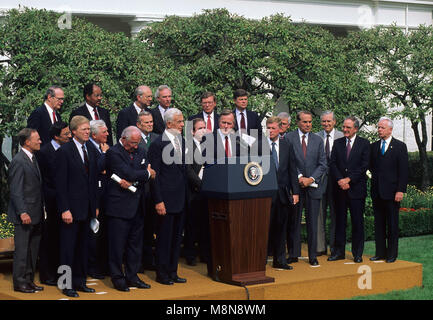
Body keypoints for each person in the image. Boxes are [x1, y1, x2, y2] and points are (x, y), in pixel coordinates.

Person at [105, 126, 155, 291]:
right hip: (119, 208)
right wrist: (144, 174)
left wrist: (135, 178)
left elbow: (138, 173)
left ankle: (132, 277)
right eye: (133, 143)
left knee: (135, 245)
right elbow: (131, 173)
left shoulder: (141, 150)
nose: (136, 146)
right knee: (117, 246)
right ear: (123, 138)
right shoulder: (113, 152)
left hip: (138, 205)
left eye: (138, 142)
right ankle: (118, 278)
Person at [55, 115, 100, 297]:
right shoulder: (64, 152)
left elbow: (93, 179)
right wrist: (64, 209)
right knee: (67, 249)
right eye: (84, 129)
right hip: (70, 210)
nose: (88, 132)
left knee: (83, 247)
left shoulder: (90, 148)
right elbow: (60, 184)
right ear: (73, 131)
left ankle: (80, 282)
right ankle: (65, 285)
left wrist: (95, 206)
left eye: (89, 129)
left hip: (87, 209)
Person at [148, 108, 188, 285]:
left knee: (176, 238)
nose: (182, 125)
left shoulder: (182, 141)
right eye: (179, 122)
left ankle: (173, 271)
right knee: (164, 238)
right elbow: (154, 177)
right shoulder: (158, 144)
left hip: (181, 198)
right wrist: (158, 200)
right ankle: (162, 273)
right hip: (165, 200)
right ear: (169, 123)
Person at [285, 111, 327, 266]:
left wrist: (311, 179)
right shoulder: (289, 138)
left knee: (312, 223)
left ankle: (312, 256)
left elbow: (323, 164)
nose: (308, 125)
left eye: (310, 122)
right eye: (305, 122)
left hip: (313, 188)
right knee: (294, 222)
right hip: (296, 188)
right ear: (298, 122)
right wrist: (299, 177)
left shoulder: (318, 140)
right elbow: (288, 161)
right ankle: (294, 254)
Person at [328, 116, 370, 263]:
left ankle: (357, 253)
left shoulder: (364, 144)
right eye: (343, 127)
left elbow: (364, 166)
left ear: (356, 129)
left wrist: (349, 179)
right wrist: (340, 179)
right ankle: (338, 252)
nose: (344, 130)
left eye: (348, 127)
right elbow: (332, 164)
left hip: (356, 189)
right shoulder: (337, 143)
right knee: (340, 222)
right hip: (339, 189)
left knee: (357, 222)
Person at [7, 128, 43, 293]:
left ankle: (29, 280)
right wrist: (22, 212)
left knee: (32, 250)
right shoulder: (18, 161)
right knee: (22, 250)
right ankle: (20, 282)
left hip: (35, 213)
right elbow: (15, 190)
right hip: (25, 215)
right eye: (37, 139)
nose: (40, 141)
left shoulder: (32, 158)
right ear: (27, 142)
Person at [36, 121, 71, 286]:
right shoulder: (44, 152)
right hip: (50, 202)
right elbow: (43, 179)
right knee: (49, 238)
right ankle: (46, 274)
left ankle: (60, 273)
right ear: (56, 136)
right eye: (66, 134)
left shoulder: (68, 149)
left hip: (66, 200)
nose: (70, 136)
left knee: (62, 239)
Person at [369, 117, 408, 263]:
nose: (379, 130)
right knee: (379, 224)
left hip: (392, 193)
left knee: (392, 225)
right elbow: (371, 167)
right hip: (377, 192)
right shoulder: (374, 147)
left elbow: (403, 171)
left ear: (390, 129)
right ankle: (380, 253)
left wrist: (400, 190)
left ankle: (392, 254)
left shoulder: (400, 146)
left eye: (382, 128)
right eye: (378, 127)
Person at [265, 117, 299, 270]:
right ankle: (260, 260)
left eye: (273, 128)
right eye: (268, 128)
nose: (270, 131)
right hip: (265, 194)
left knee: (281, 228)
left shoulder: (287, 145)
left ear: (279, 129)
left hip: (283, 194)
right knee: (264, 228)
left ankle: (280, 260)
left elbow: (292, 169)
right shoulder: (260, 145)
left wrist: (295, 192)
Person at [315, 111, 344, 256]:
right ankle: (320, 247)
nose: (326, 124)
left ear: (334, 122)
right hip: (320, 181)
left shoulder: (342, 136)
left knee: (335, 214)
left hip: (336, 181)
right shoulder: (315, 137)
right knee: (319, 214)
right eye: (324, 121)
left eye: (329, 121)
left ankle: (334, 247)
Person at [184, 118, 211, 268]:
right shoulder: (188, 146)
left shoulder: (209, 146)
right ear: (193, 131)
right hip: (194, 191)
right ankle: (190, 254)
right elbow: (188, 170)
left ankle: (205, 254)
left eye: (205, 127)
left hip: (207, 191)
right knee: (192, 225)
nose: (203, 130)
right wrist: (200, 185)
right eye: (200, 128)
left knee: (205, 225)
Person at [136, 110, 160, 271]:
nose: (150, 124)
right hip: (140, 190)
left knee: (152, 227)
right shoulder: (134, 140)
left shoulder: (158, 138)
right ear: (138, 125)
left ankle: (150, 259)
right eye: (146, 122)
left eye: (151, 122)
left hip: (156, 189)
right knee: (140, 228)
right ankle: (139, 261)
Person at [87, 120, 110, 279]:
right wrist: (104, 154)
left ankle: (102, 265)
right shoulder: (89, 147)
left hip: (105, 196)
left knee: (102, 234)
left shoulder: (101, 147)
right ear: (94, 135)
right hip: (94, 197)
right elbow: (97, 169)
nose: (108, 134)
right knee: (93, 234)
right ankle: (92, 266)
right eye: (104, 132)